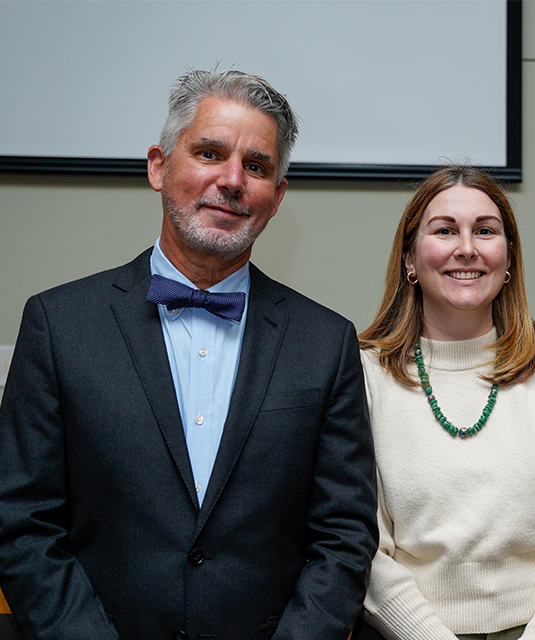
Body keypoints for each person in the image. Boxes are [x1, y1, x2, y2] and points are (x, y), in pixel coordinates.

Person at [0, 68, 378, 640]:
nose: (232, 180)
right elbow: (23, 523)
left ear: (275, 198)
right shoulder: (58, 325)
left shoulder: (326, 342)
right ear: (158, 166)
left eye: (256, 166)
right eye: (209, 153)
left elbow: (344, 536)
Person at [352, 165, 535, 640]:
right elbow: (359, 542)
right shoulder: (363, 376)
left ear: (507, 261)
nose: (467, 248)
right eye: (444, 230)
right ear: (410, 261)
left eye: (485, 231)